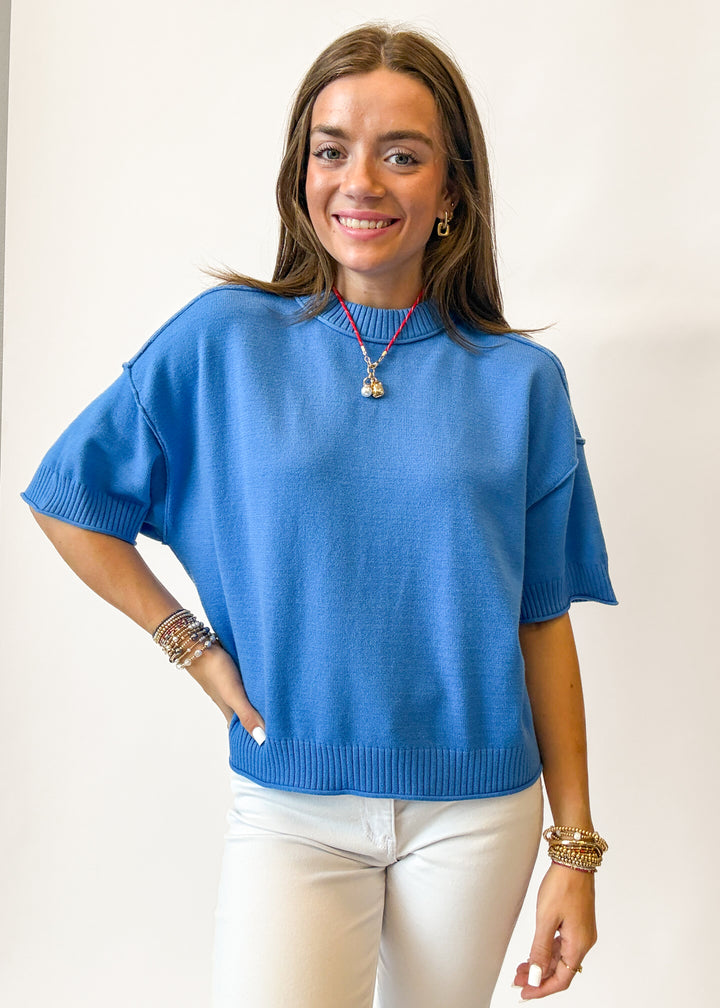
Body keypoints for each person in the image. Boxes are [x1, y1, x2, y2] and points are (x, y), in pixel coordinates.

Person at [22, 22, 616, 1008]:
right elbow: (68, 498)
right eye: (332, 149)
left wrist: (576, 852)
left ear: (452, 190)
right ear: (302, 172)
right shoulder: (224, 342)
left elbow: (541, 620)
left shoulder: (522, 383)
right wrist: (190, 646)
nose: (360, 183)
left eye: (403, 155)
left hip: (478, 813)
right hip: (290, 802)